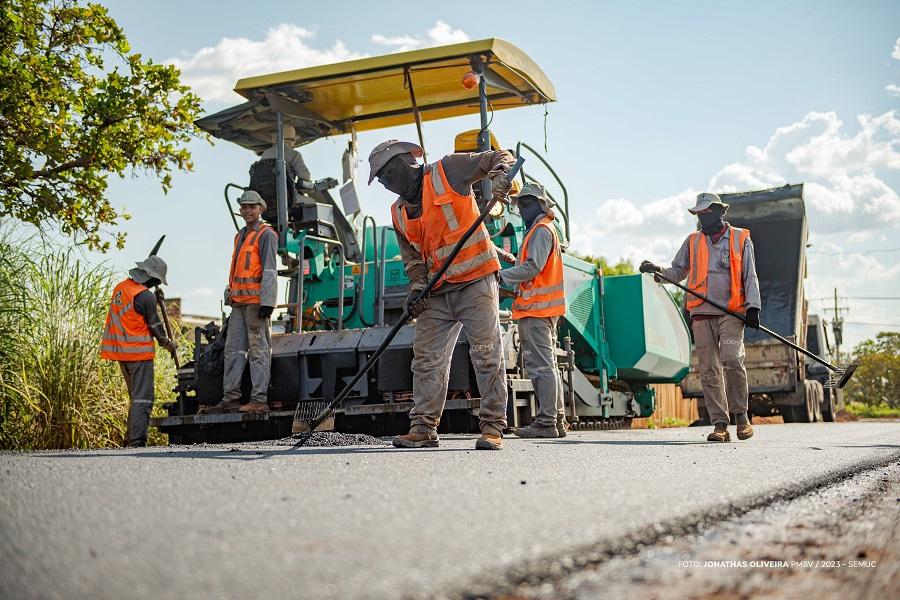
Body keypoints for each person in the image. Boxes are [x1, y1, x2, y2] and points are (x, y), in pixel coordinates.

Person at [368, 139, 514, 450]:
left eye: (386, 173)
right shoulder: (397, 212)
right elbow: (413, 260)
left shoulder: (449, 170)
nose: (384, 182)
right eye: (380, 179)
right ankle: (423, 428)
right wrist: (417, 288)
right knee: (426, 360)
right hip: (437, 291)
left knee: (486, 353)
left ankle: (492, 427)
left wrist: (501, 173)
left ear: (407, 161)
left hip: (475, 281)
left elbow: (499, 157)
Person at [640, 192, 761, 442]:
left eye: (707, 213)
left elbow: (750, 274)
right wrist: (658, 271)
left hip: (731, 313)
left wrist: (753, 307)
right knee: (708, 370)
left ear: (719, 212)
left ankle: (741, 416)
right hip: (701, 314)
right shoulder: (692, 241)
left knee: (732, 360)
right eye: (699, 214)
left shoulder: (740, 239)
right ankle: (719, 424)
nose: (703, 218)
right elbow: (678, 271)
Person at [500, 183, 568, 438]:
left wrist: (500, 276)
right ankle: (556, 420)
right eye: (520, 204)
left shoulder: (540, 231)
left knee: (541, 367)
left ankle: (546, 422)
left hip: (537, 311)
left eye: (527, 204)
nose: (522, 209)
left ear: (541, 204)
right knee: (547, 365)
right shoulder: (540, 230)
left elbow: (532, 268)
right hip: (540, 310)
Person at [203, 190, 278, 415]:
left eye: (251, 207)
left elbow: (269, 269)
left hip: (256, 304)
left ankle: (258, 400)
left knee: (258, 351)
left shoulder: (266, 234)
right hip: (238, 304)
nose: (247, 211)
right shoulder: (240, 235)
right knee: (232, 350)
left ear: (260, 209)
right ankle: (231, 398)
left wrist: (268, 301)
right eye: (244, 207)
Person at [101, 256, 177, 447]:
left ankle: (129, 438)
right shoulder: (145, 296)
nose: (157, 284)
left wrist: (156, 300)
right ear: (150, 278)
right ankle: (137, 442)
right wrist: (167, 343)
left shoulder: (121, 288)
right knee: (143, 399)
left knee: (135, 399)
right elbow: (156, 326)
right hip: (138, 354)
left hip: (121, 353)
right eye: (157, 281)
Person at [260, 122, 311, 190]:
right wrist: (309, 184)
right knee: (310, 201)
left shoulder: (265, 153)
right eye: (294, 140)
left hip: (264, 195)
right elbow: (304, 176)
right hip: (285, 194)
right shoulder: (294, 154)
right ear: (291, 140)